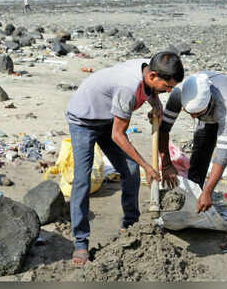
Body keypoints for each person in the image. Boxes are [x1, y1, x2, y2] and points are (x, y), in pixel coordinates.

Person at [65, 51, 184, 266]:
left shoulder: (144, 67)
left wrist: (154, 100)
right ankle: (81, 242)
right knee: (83, 180)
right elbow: (117, 135)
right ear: (153, 76)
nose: (168, 92)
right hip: (83, 120)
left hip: (108, 118)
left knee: (130, 171)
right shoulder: (128, 89)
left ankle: (130, 226)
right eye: (166, 87)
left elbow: (149, 91)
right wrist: (147, 165)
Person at [158, 72, 227, 249]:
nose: (193, 118)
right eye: (190, 113)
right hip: (208, 114)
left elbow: (223, 154)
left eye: (197, 113)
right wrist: (166, 163)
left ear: (209, 103)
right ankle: (192, 211)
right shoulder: (179, 94)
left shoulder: (226, 105)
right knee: (199, 154)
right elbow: (163, 129)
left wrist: (208, 191)